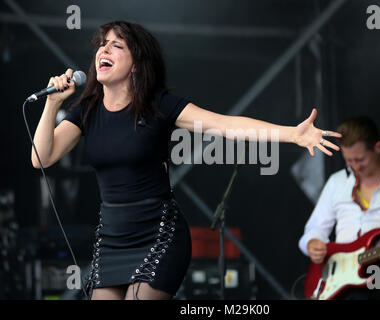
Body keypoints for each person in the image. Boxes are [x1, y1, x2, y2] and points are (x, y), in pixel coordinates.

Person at [31, 21, 342, 300]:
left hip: (158, 233)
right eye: (102, 43)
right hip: (112, 237)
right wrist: (52, 104)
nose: (104, 49)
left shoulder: (158, 106)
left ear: (136, 64)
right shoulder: (86, 111)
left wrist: (293, 134)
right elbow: (41, 158)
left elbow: (225, 125)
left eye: (117, 44)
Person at [298, 116, 380, 300]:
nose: (354, 166)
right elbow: (314, 229)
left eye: (359, 159)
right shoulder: (337, 182)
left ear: (378, 147)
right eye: (348, 160)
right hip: (337, 275)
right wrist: (312, 243)